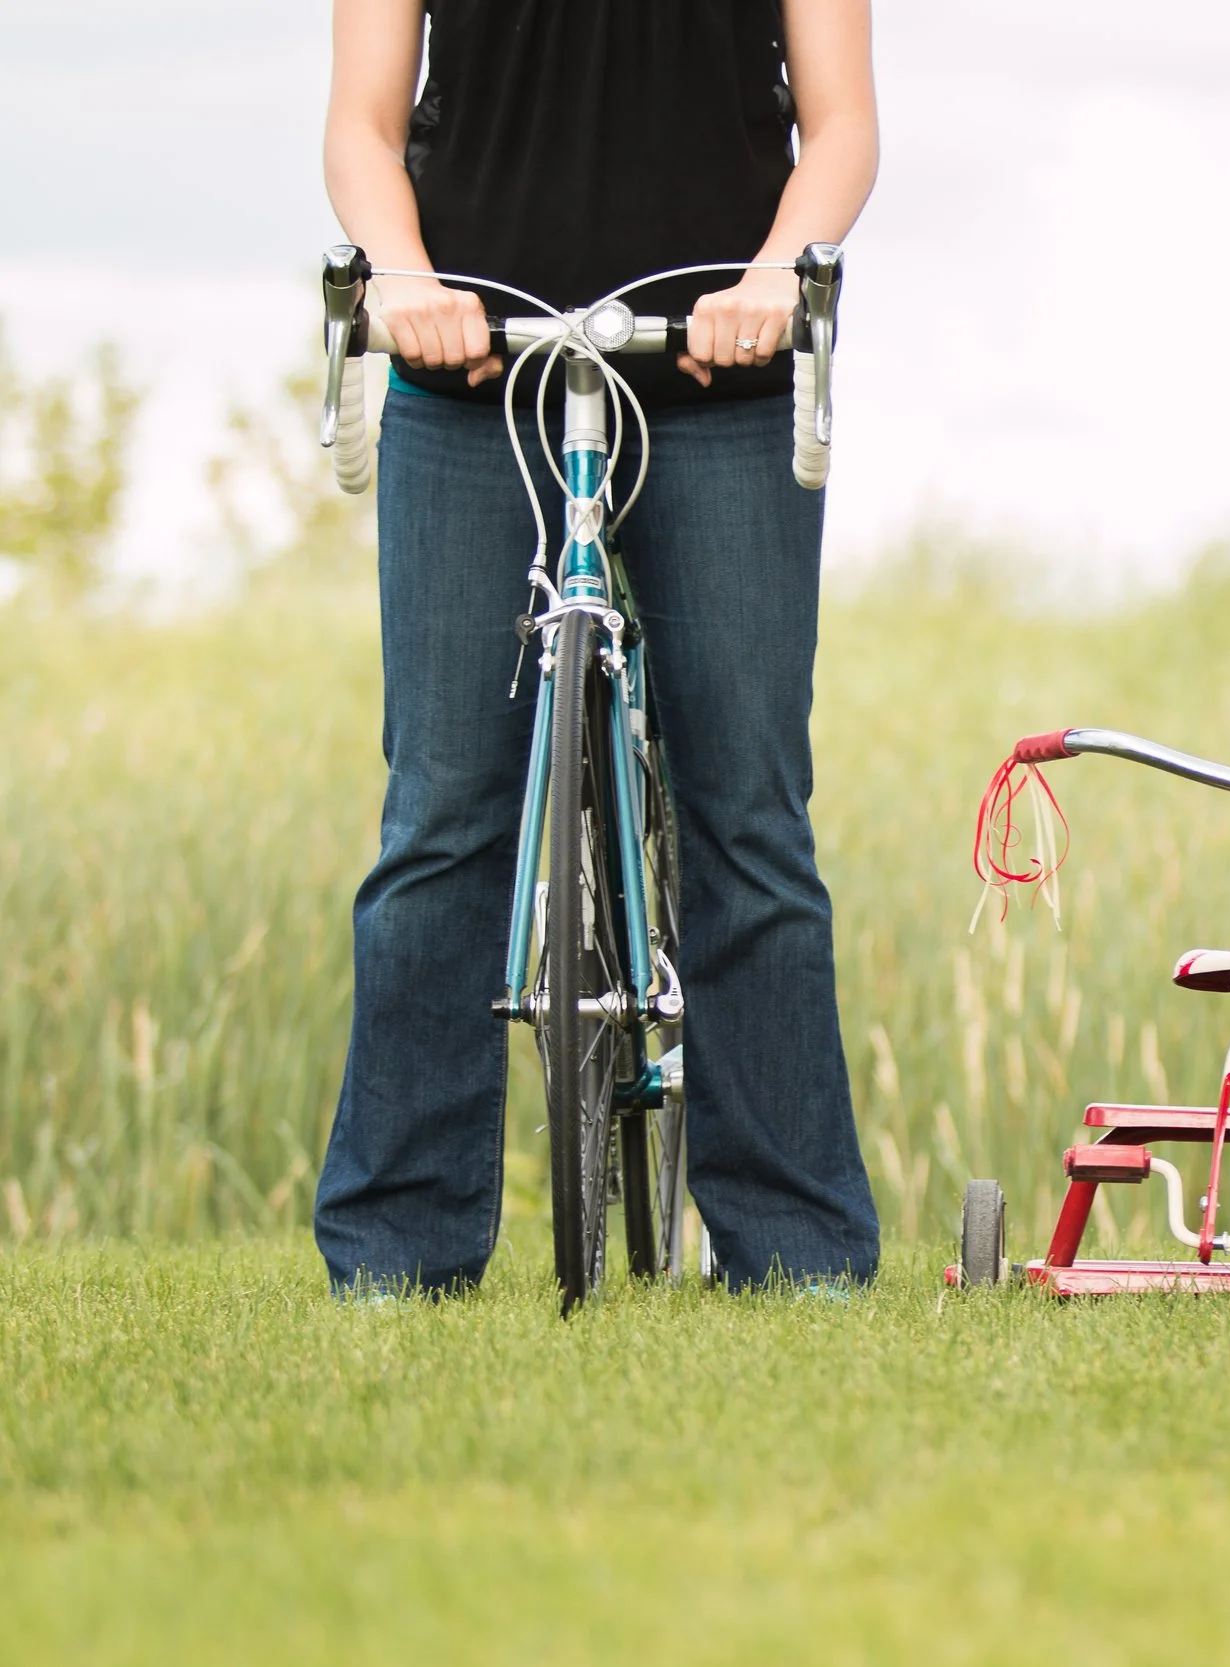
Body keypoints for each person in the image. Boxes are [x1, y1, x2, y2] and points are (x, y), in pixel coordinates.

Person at [313, 0, 882, 1294]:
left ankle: (800, 1253)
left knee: (750, 814)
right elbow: (361, 121)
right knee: (443, 813)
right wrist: (401, 272)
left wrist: (775, 275)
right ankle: (398, 1249)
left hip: (717, 381)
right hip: (469, 378)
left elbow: (840, 123)